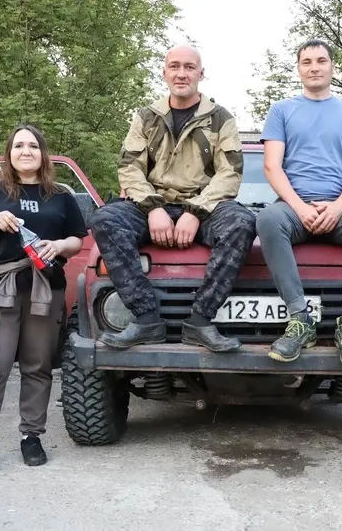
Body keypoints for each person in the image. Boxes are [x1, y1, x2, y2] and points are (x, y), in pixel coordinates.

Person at [89, 45, 256, 352]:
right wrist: (153, 209)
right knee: (104, 219)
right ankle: (146, 319)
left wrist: (196, 211)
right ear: (164, 72)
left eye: (189, 67)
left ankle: (201, 321)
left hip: (206, 208)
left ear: (201, 74)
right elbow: (129, 168)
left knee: (243, 222)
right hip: (152, 205)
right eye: (175, 66)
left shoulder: (222, 120)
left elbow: (229, 173)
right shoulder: (145, 117)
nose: (182, 74)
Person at [256, 39, 342, 367]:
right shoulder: (282, 110)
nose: (314, 67)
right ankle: (300, 320)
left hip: (341, 209)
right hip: (294, 209)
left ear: (332, 66)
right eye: (306, 62)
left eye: (321, 60)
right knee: (268, 220)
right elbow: (272, 166)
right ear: (299, 69)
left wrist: (338, 207)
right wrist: (300, 208)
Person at [0, 124, 88, 477]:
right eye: (18, 145)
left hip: (46, 288)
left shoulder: (60, 195)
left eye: (33, 145)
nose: (26, 151)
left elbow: (78, 239)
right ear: (9, 154)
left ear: (42, 154)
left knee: (38, 367)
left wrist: (60, 246)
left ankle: (31, 437)